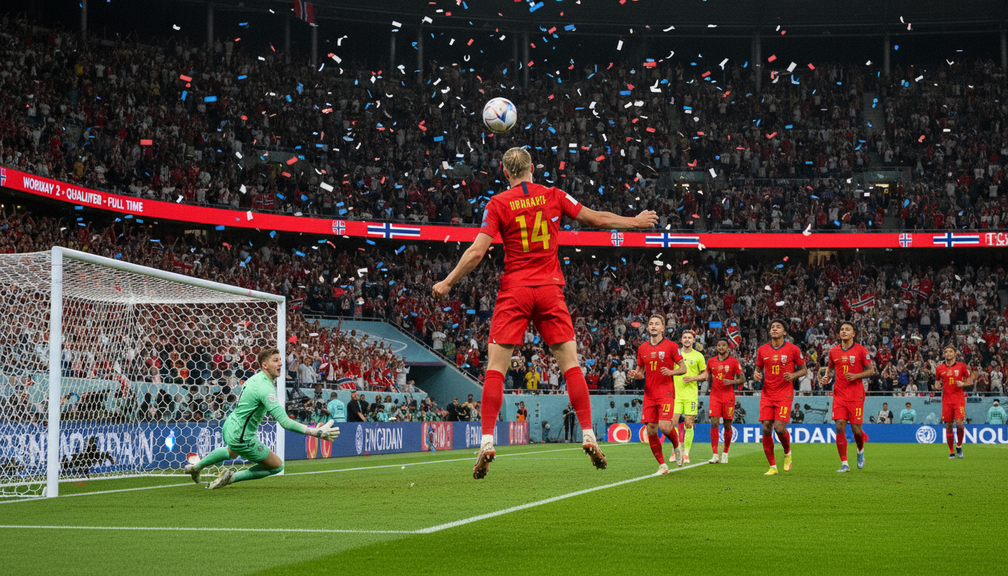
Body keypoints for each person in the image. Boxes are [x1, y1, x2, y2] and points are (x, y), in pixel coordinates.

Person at [432, 146, 658, 479]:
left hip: (515, 290)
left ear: (505, 172)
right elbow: (596, 218)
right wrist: (635, 222)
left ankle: (487, 441)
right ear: (533, 169)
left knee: (496, 369)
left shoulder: (498, 203)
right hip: (550, 289)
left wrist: (448, 281)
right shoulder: (553, 195)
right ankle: (588, 434)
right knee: (571, 365)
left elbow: (478, 251)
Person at [183, 348, 339, 489]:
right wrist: (315, 432)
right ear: (265, 365)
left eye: (280, 360)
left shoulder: (256, 379)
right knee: (277, 466)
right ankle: (230, 478)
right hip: (241, 435)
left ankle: (196, 467)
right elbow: (284, 422)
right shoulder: (265, 388)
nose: (280, 364)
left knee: (231, 452)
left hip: (231, 424)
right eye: (275, 360)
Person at [628, 314, 686, 474]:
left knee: (664, 426)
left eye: (657, 324)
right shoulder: (642, 348)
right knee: (651, 430)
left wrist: (671, 372)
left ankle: (677, 446)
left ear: (662, 328)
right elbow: (640, 372)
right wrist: (635, 375)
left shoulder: (671, 346)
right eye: (651, 323)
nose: (653, 326)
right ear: (648, 327)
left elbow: (683, 368)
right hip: (649, 394)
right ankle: (662, 465)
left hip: (666, 391)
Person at [753, 319, 807, 476]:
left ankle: (787, 451)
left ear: (785, 332)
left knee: (779, 428)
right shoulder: (762, 350)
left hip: (784, 393)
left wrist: (793, 375)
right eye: (772, 327)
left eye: (778, 327)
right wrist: (756, 374)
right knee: (766, 428)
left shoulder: (793, 349)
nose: (774, 329)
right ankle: (772, 467)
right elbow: (758, 369)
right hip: (767, 394)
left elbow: (804, 370)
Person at [821, 321, 875, 473]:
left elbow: (871, 371)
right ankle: (844, 464)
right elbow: (830, 370)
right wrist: (826, 377)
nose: (844, 331)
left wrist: (856, 375)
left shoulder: (861, 350)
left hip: (856, 395)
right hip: (839, 394)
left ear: (853, 334)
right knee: (839, 425)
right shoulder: (833, 351)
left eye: (847, 329)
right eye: (842, 329)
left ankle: (860, 450)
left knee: (857, 430)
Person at [670, 329, 707, 464]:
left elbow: (705, 375)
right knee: (672, 422)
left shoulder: (698, 356)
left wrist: (692, 378)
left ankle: (686, 453)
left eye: (689, 338)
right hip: (676, 394)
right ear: (681, 340)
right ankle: (675, 449)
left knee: (689, 423)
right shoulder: (675, 354)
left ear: (693, 340)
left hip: (690, 395)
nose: (687, 339)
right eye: (684, 337)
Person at [706, 338, 744, 464]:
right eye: (719, 345)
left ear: (728, 347)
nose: (721, 347)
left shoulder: (733, 361)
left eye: (723, 345)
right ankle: (715, 454)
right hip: (715, 396)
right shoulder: (711, 361)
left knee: (727, 425)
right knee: (714, 423)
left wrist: (732, 381)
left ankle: (725, 452)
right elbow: (706, 376)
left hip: (728, 397)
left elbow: (742, 378)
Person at [936, 345, 977, 459]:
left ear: (955, 354)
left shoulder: (962, 366)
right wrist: (937, 385)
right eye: (946, 352)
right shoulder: (939, 368)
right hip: (946, 401)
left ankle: (959, 445)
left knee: (959, 424)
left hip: (958, 400)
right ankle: (951, 451)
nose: (948, 354)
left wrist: (964, 383)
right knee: (949, 426)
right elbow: (937, 382)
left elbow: (970, 381)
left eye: (950, 351)